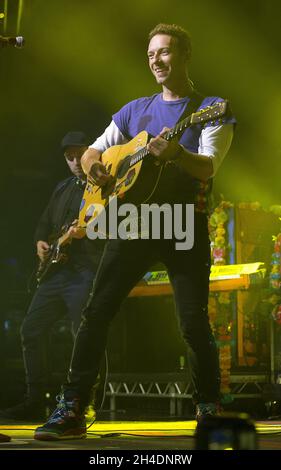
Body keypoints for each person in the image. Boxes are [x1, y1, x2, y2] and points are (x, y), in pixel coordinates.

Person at [34, 23, 236, 440]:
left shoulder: (211, 107)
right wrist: (95, 168)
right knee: (96, 312)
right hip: (132, 223)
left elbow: (208, 166)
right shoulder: (133, 110)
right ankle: (72, 407)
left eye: (164, 52)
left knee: (192, 323)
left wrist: (178, 153)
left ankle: (208, 407)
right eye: (150, 55)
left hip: (182, 224)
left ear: (184, 55)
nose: (156, 61)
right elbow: (94, 150)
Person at [0, 131, 105, 421]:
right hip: (56, 272)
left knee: (84, 334)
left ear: (90, 153)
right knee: (31, 330)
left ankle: (84, 401)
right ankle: (35, 401)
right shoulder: (62, 187)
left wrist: (83, 234)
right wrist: (40, 243)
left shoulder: (104, 185)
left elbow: (116, 226)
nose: (73, 161)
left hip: (85, 270)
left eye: (78, 154)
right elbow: (44, 224)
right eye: (68, 156)